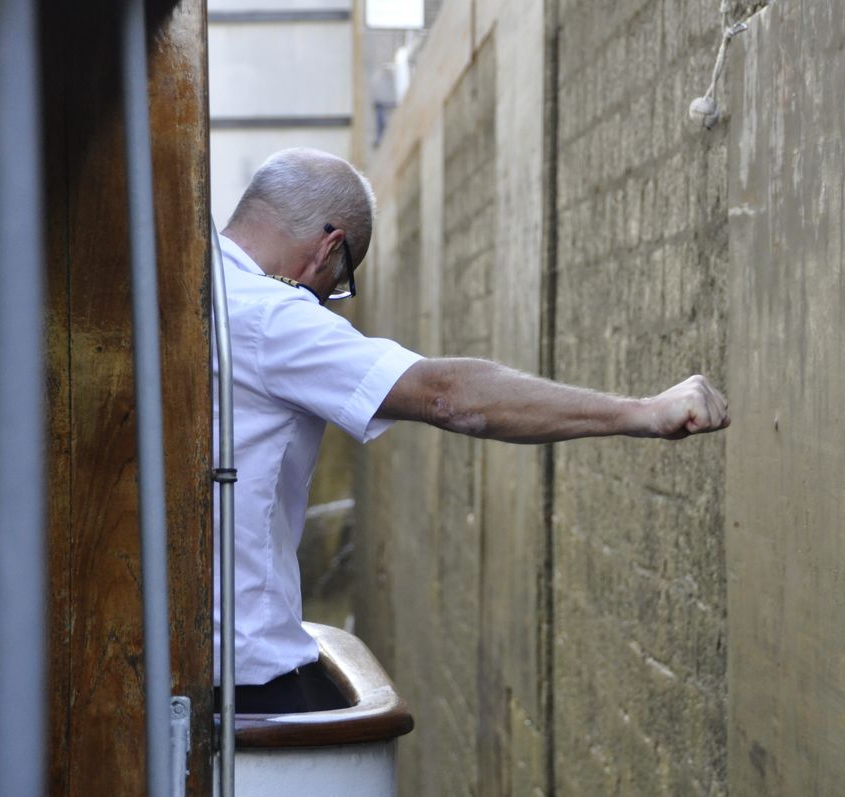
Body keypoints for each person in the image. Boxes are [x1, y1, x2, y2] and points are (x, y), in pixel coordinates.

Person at [212, 148, 729, 713]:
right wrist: (644, 411)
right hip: (244, 676)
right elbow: (447, 395)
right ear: (330, 247)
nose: (328, 301)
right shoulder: (270, 315)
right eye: (339, 284)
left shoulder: (190, 287)